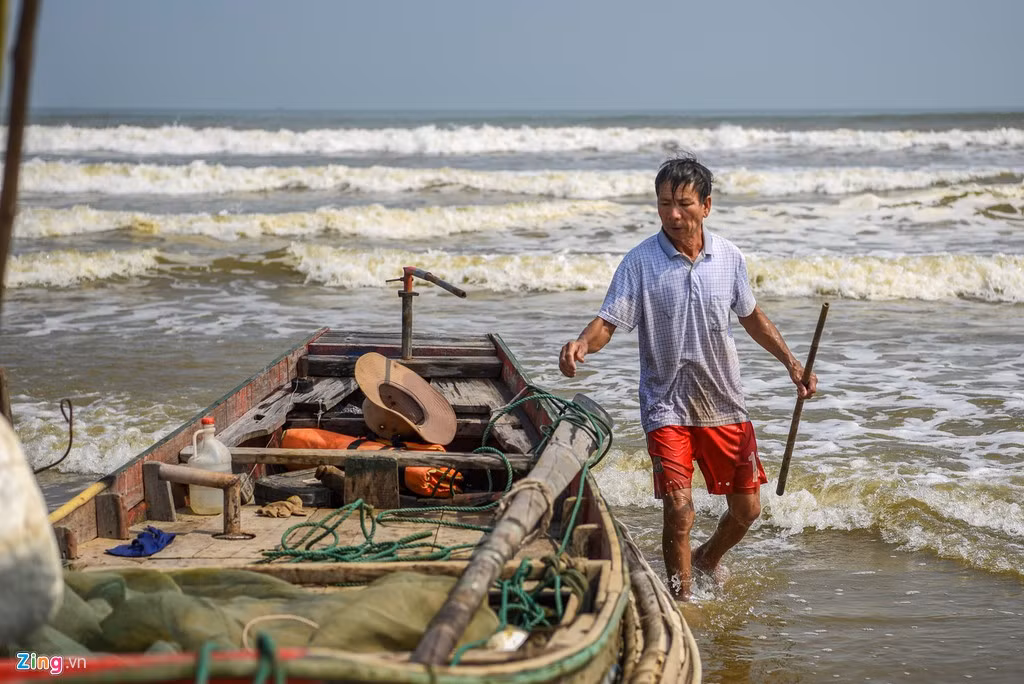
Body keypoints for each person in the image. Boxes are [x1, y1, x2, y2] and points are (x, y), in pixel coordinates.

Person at [558, 155, 817, 601]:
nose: (673, 215)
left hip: (724, 402)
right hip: (666, 405)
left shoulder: (729, 256)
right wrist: (582, 343)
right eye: (663, 204)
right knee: (679, 509)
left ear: (707, 205)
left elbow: (751, 317)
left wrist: (792, 363)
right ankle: (681, 600)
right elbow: (608, 321)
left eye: (683, 204)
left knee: (747, 510)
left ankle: (707, 559)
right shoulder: (639, 262)